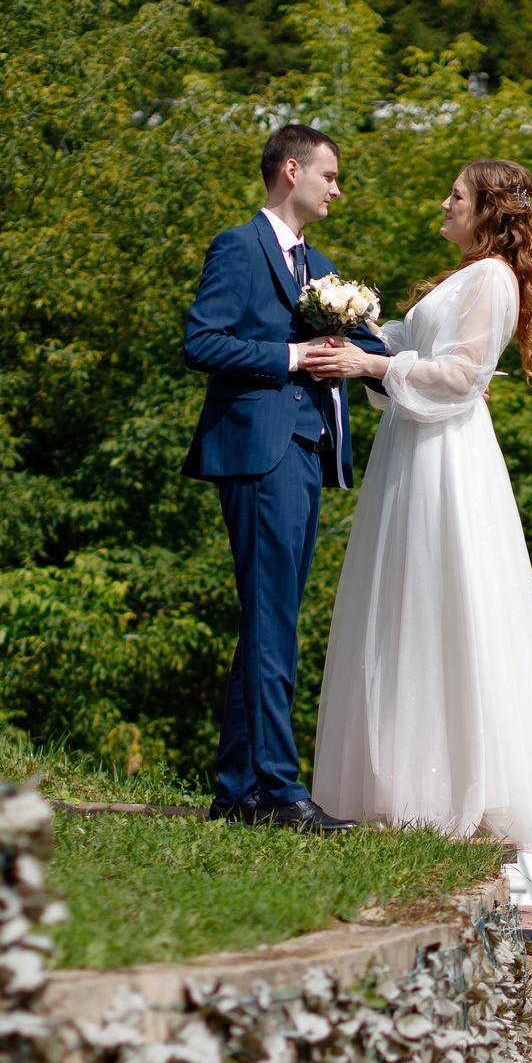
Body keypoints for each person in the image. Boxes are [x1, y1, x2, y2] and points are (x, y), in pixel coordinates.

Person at [304, 159, 532, 849]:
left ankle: (443, 788)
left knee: (435, 598)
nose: (444, 202)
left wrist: (371, 365)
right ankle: (400, 783)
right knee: (403, 600)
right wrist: (366, 330)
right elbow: (426, 354)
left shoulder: (490, 278)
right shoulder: (465, 276)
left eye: (456, 195)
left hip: (444, 456)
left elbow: (460, 375)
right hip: (413, 446)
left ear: (489, 209)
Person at [182, 124, 386, 833]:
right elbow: (201, 341)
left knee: (271, 620)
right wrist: (295, 357)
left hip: (306, 451)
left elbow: (368, 351)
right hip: (259, 448)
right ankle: (276, 790)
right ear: (290, 170)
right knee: (274, 621)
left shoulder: (321, 265)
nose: (337, 188)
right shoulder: (240, 246)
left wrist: (440, 372)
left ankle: (238, 790)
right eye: (329, 175)